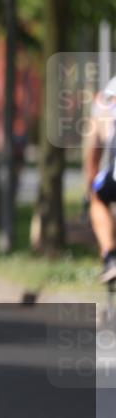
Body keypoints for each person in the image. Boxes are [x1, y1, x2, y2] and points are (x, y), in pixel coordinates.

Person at [83, 76, 116, 283]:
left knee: (97, 196)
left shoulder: (109, 93)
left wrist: (90, 183)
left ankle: (110, 257)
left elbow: (93, 151)